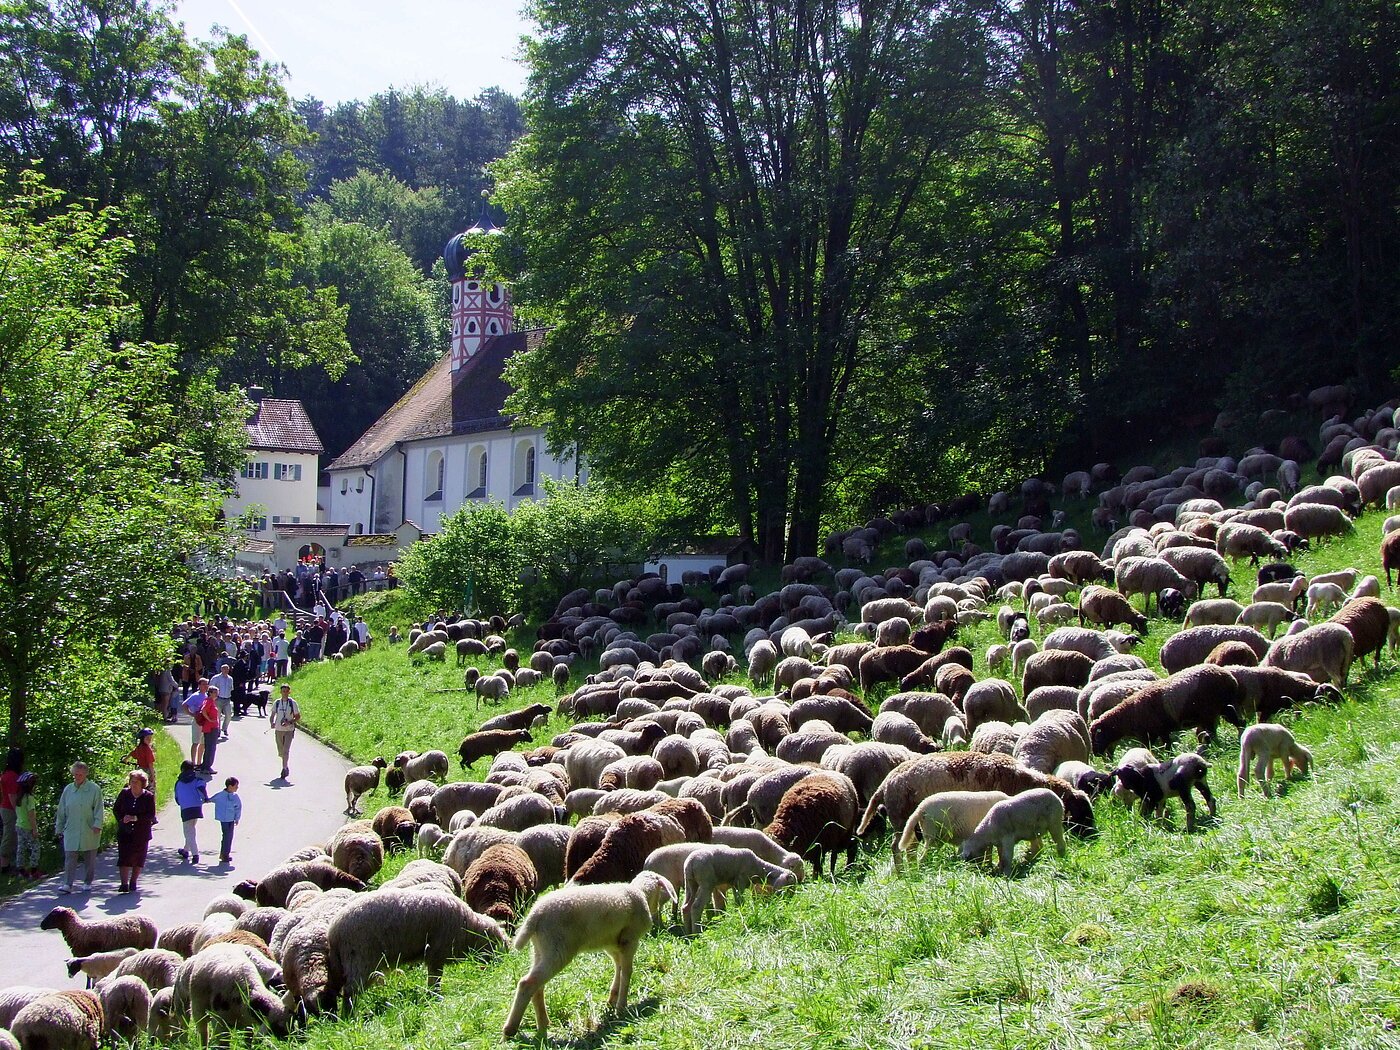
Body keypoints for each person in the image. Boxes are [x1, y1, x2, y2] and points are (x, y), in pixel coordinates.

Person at [54, 762, 103, 893]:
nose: (78, 777)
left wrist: (98, 824)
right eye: (75, 774)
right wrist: (59, 827)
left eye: (80, 774)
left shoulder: (94, 789)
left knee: (90, 857)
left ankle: (87, 882)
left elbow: (99, 809)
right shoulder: (68, 789)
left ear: (86, 774)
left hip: (89, 828)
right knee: (70, 856)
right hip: (72, 827)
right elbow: (61, 810)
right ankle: (67, 884)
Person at [112, 770, 156, 893]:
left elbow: (151, 815)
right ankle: (124, 884)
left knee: (138, 858)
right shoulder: (124, 793)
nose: (134, 784)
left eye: (136, 782)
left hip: (141, 832)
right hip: (125, 831)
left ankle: (133, 882)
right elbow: (116, 809)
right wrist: (122, 818)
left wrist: (136, 818)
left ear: (143, 783)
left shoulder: (148, 796)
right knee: (124, 857)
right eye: (132, 781)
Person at [173, 761, 208, 864]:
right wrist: (205, 798)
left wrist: (182, 802)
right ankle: (185, 850)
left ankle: (195, 854)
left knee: (189, 832)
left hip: (186, 808)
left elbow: (177, 798)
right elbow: (201, 788)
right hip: (196, 807)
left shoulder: (178, 783)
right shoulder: (197, 779)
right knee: (191, 830)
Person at [13, 771, 41, 879]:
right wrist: (34, 829)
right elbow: (31, 815)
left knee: (21, 847)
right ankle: (34, 870)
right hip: (28, 827)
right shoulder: (29, 798)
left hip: (19, 825)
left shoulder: (19, 798)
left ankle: (21, 870)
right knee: (36, 847)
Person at [269, 683, 301, 780]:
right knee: (281, 751)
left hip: (289, 730)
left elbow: (298, 716)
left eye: (287, 691)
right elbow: (272, 715)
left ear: (289, 692)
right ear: (281, 692)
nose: (285, 693)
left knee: (286, 750)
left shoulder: (293, 703)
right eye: (283, 691)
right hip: (279, 729)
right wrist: (272, 722)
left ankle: (284, 768)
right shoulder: (277, 703)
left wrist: (290, 722)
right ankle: (284, 764)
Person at [0, 747, 21, 876]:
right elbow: (12, 796)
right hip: (9, 809)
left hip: (4, 807)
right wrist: (18, 812)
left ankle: (7, 863)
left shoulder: (5, 774)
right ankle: (4, 865)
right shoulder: (12, 776)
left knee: (11, 835)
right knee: (9, 836)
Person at [210, 777, 241, 864]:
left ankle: (224, 854)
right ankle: (224, 854)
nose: (237, 788)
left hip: (230, 819)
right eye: (236, 786)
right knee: (227, 836)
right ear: (230, 786)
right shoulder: (220, 795)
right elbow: (210, 799)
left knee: (228, 836)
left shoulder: (235, 797)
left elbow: (238, 808)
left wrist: (237, 818)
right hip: (223, 819)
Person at [196, 687, 222, 776]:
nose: (217, 694)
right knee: (210, 748)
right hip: (210, 728)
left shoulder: (211, 701)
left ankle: (206, 766)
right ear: (210, 693)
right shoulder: (209, 701)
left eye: (217, 692)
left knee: (211, 748)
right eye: (215, 692)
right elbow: (203, 711)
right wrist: (209, 719)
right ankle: (206, 767)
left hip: (213, 727)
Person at [183, 678, 209, 766]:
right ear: (199, 685)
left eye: (207, 684)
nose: (206, 686)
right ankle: (193, 763)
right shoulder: (195, 695)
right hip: (197, 721)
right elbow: (184, 705)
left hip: (205, 722)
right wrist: (192, 714)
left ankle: (199, 763)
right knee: (195, 742)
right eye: (204, 684)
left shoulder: (207, 695)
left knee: (203, 743)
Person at [208, 665, 234, 739]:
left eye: (227, 669)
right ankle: (217, 730)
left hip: (227, 699)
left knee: (229, 714)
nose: (226, 671)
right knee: (217, 716)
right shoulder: (216, 678)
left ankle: (224, 728)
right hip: (218, 699)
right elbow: (211, 688)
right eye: (224, 669)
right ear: (221, 669)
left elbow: (231, 688)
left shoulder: (230, 679)